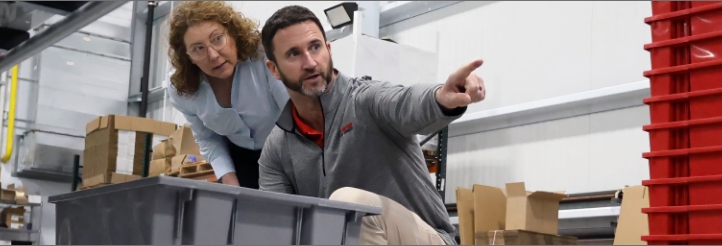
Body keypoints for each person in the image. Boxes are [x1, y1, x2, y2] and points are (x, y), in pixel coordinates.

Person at [257, 5, 486, 245]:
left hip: (426, 238)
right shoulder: (277, 149)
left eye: (315, 47)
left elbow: (407, 102)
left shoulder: (365, 100)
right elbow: (278, 229)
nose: (310, 62)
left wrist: (442, 98)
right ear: (274, 70)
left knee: (350, 203)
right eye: (294, 54)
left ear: (328, 49)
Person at [165, 1, 289, 189]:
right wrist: (229, 181)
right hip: (240, 158)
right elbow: (207, 138)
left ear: (232, 33)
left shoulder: (263, 55)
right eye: (198, 48)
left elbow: (294, 113)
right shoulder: (180, 89)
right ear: (187, 55)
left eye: (217, 39)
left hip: (287, 147)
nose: (213, 55)